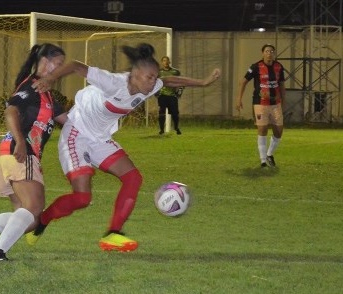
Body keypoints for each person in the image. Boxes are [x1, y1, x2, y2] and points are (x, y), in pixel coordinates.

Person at [27, 43, 221, 252]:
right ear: (135, 74)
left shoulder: (148, 85)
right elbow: (75, 66)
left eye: (155, 77)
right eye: (149, 77)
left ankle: (113, 234)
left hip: (100, 138)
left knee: (133, 177)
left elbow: (170, 81)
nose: (154, 82)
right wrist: (51, 78)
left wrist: (203, 82)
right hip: (78, 133)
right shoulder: (113, 83)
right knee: (82, 198)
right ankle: (41, 223)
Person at [0, 43, 68, 261]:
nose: (62, 69)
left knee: (29, 220)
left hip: (11, 156)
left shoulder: (48, 96)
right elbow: (10, 111)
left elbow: (70, 123)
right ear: (45, 62)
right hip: (20, 154)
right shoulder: (31, 87)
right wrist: (20, 142)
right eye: (59, 63)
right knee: (34, 207)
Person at [236, 44, 286, 168]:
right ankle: (263, 160)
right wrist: (239, 99)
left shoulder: (279, 67)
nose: (269, 53)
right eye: (267, 51)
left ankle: (269, 154)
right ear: (262, 53)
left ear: (274, 54)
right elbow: (243, 81)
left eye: (272, 51)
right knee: (262, 129)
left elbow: (281, 85)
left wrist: (283, 99)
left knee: (279, 131)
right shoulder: (255, 67)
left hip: (275, 103)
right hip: (260, 103)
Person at [157, 56, 184, 135]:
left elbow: (181, 82)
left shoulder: (175, 72)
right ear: (162, 62)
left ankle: (176, 128)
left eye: (167, 61)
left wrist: (179, 91)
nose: (165, 62)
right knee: (161, 112)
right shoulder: (159, 72)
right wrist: (156, 93)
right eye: (164, 61)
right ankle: (161, 130)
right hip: (162, 95)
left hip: (172, 96)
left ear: (169, 62)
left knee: (175, 113)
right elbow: (155, 83)